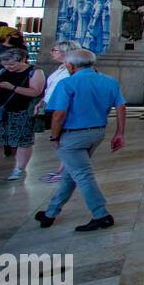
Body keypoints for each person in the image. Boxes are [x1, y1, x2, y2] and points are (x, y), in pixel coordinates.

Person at [34, 48, 126, 232]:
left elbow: (59, 114)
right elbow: (121, 107)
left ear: (70, 65)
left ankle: (101, 215)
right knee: (71, 174)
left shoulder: (67, 83)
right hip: (97, 133)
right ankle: (51, 212)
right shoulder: (110, 81)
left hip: (72, 135)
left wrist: (54, 136)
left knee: (82, 175)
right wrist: (119, 133)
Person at [0, 47, 46, 183]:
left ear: (22, 59)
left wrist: (12, 87)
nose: (8, 67)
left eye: (12, 64)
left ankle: (20, 169)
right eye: (5, 64)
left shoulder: (35, 72)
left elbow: (36, 92)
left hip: (21, 110)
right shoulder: (3, 71)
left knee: (22, 141)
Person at [42, 40, 79, 182]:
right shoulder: (61, 68)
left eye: (55, 50)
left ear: (65, 52)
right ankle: (62, 169)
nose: (52, 52)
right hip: (54, 105)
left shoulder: (71, 70)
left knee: (63, 139)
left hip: (63, 108)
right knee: (61, 139)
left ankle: (64, 170)